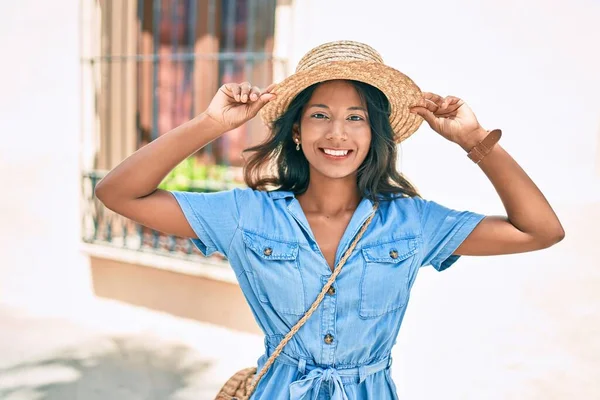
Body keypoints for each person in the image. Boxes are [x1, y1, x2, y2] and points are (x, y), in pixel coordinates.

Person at [95, 41, 565, 399]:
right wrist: (212, 124)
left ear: (374, 133)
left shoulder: (412, 222)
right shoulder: (246, 215)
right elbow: (117, 193)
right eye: (320, 114)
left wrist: (476, 140)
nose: (337, 132)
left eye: (356, 118)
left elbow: (540, 230)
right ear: (297, 131)